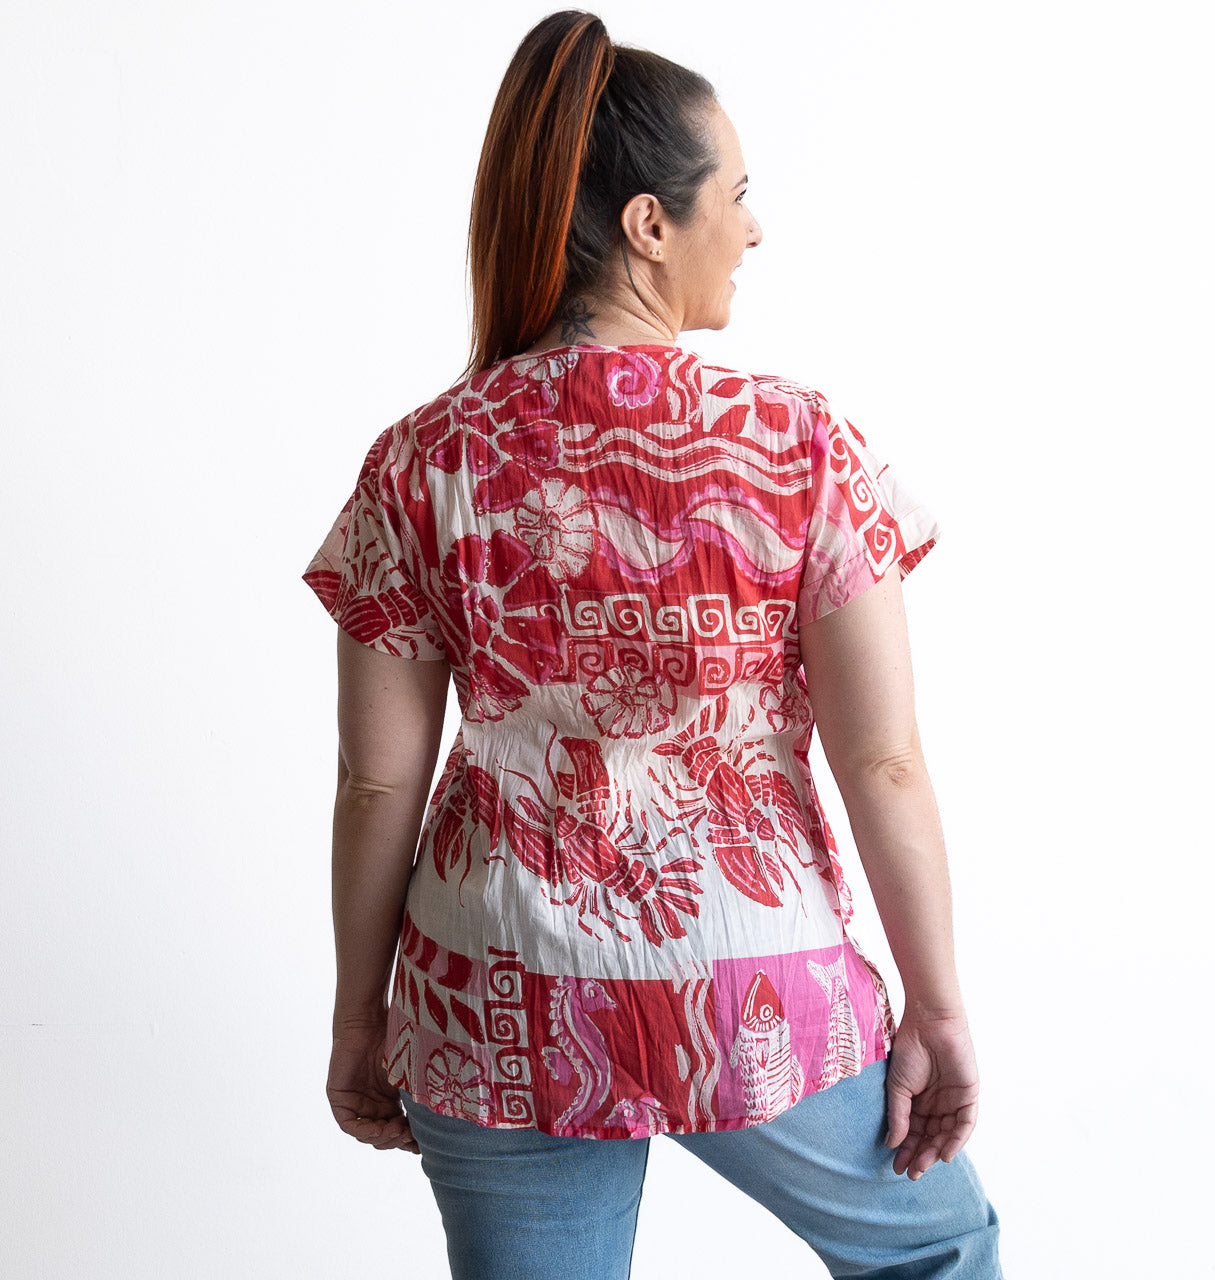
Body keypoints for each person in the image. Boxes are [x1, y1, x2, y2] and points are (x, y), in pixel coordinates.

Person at [302, 10, 1004, 1279]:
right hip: (749, 977)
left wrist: (362, 1015)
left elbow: (373, 782)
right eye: (734, 196)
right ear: (648, 225)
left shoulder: (420, 457)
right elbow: (882, 759)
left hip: (494, 985)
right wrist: (937, 1003)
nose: (752, 228)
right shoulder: (799, 443)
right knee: (934, 1248)